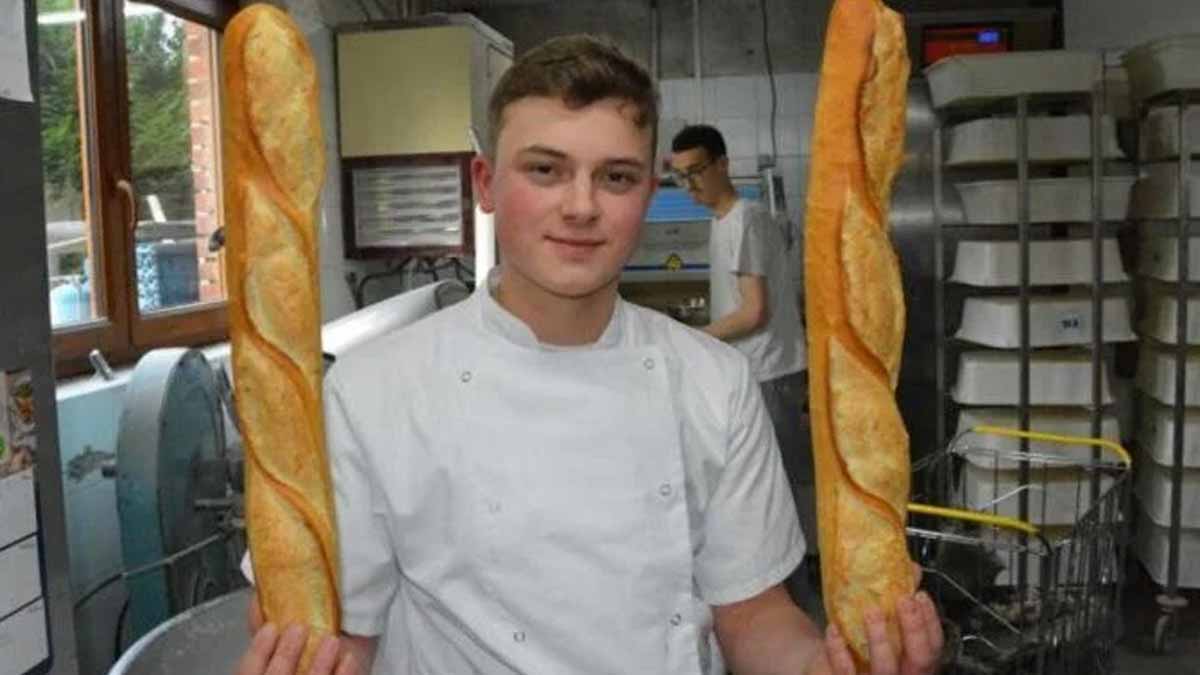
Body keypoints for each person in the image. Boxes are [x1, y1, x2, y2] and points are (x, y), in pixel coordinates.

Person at [237, 34, 941, 675]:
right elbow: (347, 642)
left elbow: (754, 617)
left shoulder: (714, 382)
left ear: (647, 193)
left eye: (616, 177)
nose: (581, 207)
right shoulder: (368, 395)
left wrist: (837, 667)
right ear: (485, 184)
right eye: (545, 170)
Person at [669, 125, 816, 607]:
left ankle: (800, 608)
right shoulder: (724, 220)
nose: (689, 186)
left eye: (695, 173)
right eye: (679, 178)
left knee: (780, 496)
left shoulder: (745, 220)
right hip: (757, 372)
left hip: (770, 373)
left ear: (722, 165)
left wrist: (690, 340)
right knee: (764, 494)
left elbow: (755, 312)